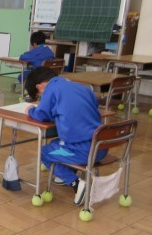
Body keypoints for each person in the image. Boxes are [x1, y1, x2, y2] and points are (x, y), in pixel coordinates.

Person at [24, 67, 106, 206]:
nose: (42, 98)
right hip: (101, 147)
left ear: (39, 86)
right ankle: (67, 173)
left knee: (44, 153)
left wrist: (31, 110)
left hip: (84, 151)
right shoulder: (83, 88)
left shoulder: (51, 89)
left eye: (39, 96)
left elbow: (42, 114)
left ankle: (76, 183)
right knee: (56, 143)